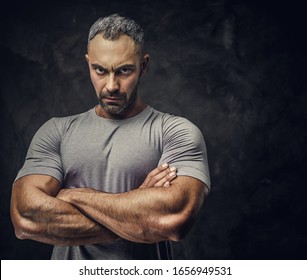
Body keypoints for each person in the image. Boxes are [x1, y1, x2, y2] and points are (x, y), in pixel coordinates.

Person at [10, 14, 210, 260]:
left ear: (143, 65)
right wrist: (138, 214)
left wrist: (73, 195)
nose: (112, 85)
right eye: (100, 70)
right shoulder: (56, 132)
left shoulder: (175, 132)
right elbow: (26, 217)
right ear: (88, 64)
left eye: (124, 70)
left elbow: (174, 219)